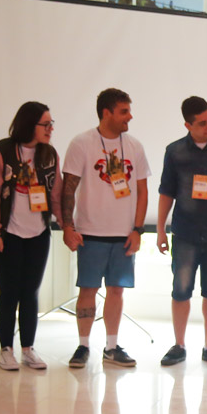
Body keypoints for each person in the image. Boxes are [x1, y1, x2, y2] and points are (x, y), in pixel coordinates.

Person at [58, 88, 150, 370]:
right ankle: (83, 346)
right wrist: (68, 226)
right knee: (88, 290)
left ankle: (111, 347)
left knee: (117, 291)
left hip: (123, 234)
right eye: (124, 111)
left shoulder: (134, 146)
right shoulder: (82, 143)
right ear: (106, 113)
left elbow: (142, 191)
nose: (129, 117)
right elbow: (68, 189)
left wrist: (138, 229)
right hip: (90, 233)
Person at [0, 102, 58, 371]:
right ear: (29, 124)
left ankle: (28, 349)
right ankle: (6, 350)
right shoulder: (2, 150)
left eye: (51, 124)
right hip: (7, 234)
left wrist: (68, 226)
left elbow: (56, 192)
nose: (50, 129)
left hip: (39, 234)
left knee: (30, 292)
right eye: (45, 124)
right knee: (10, 292)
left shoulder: (49, 154)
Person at [156, 96, 207, 367]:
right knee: (181, 290)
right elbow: (166, 192)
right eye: (202, 123)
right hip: (185, 233)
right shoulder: (174, 152)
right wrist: (160, 230)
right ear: (188, 125)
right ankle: (179, 344)